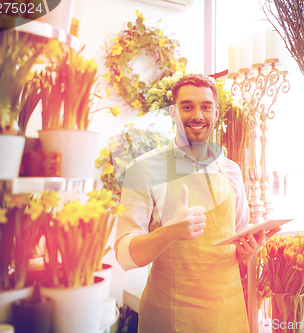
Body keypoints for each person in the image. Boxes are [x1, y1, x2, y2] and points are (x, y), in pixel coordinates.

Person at [115, 74, 279, 332]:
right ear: (173, 112)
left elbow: (237, 237)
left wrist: (247, 251)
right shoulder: (144, 168)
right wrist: (170, 232)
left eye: (206, 106)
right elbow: (124, 255)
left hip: (228, 312)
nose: (197, 116)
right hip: (170, 316)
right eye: (187, 106)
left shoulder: (232, 171)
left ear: (216, 111)